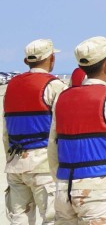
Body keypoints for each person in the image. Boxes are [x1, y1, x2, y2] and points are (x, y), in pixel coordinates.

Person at [49, 36, 106, 223]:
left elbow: (52, 147)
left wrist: (60, 181)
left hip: (63, 188)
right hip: (96, 192)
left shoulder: (61, 99)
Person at [3, 39, 67, 225]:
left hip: (15, 164)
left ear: (27, 61)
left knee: (19, 219)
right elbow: (61, 128)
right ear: (51, 58)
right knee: (52, 218)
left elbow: (5, 129)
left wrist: (10, 158)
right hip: (43, 165)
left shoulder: (11, 86)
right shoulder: (55, 86)